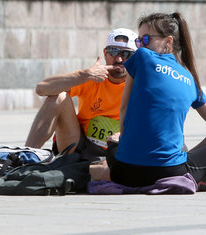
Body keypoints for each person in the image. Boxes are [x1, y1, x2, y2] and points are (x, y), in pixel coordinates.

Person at [95, 12, 206, 190]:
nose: (140, 46)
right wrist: (189, 157)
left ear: (168, 42)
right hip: (171, 171)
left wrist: (123, 139)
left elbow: (124, 109)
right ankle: (195, 174)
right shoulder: (189, 79)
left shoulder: (141, 57)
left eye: (145, 40)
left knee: (114, 147)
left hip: (124, 174)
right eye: (138, 41)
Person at [25, 28, 138, 161]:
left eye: (126, 54)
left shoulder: (140, 84)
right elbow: (41, 89)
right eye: (113, 51)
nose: (119, 59)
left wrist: (124, 135)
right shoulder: (91, 77)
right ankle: (24, 156)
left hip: (117, 148)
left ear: (135, 58)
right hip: (79, 143)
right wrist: (84, 75)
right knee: (59, 97)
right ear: (105, 53)